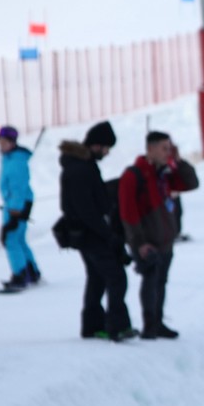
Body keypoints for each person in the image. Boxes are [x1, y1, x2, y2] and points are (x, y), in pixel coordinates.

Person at [57, 121, 134, 341]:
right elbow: (86, 210)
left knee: (97, 278)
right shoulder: (80, 169)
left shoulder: (83, 165)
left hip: (87, 233)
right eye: (106, 148)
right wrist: (108, 234)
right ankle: (116, 326)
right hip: (90, 234)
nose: (107, 153)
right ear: (96, 145)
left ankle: (92, 326)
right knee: (116, 277)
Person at [119, 130, 199, 339]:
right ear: (150, 149)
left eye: (170, 148)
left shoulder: (165, 173)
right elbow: (128, 213)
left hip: (165, 240)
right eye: (164, 148)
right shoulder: (133, 175)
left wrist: (179, 161)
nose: (168, 152)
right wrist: (139, 243)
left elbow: (191, 183)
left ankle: (158, 322)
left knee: (161, 282)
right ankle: (150, 325)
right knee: (151, 280)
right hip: (147, 242)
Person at [0, 125, 42, 293]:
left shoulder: (15, 161)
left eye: (3, 142)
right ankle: (31, 271)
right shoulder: (10, 158)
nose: (0, 145)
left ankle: (20, 275)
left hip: (17, 206)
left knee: (10, 239)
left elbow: (18, 187)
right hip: (16, 204)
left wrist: (15, 210)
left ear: (12, 142)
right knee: (19, 239)